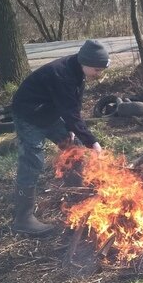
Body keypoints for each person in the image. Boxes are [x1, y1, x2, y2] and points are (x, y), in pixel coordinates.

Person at [10, 39, 110, 236]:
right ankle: (23, 218)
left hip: (49, 113)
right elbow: (70, 111)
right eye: (97, 70)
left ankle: (77, 195)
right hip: (29, 115)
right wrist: (93, 142)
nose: (99, 74)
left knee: (74, 149)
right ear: (85, 62)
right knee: (33, 161)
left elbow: (74, 105)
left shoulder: (78, 71)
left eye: (101, 70)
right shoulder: (61, 73)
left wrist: (72, 128)